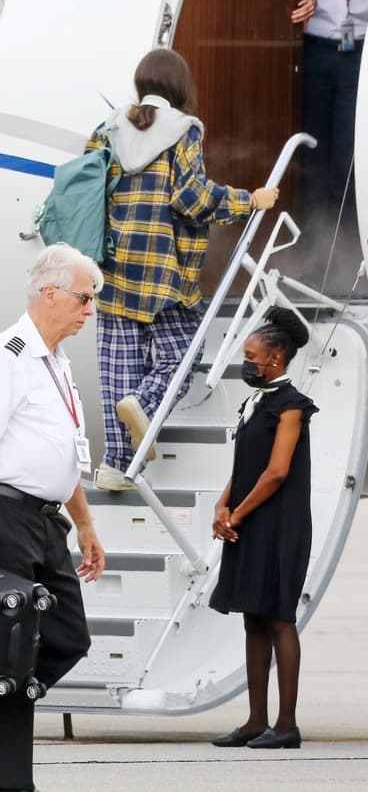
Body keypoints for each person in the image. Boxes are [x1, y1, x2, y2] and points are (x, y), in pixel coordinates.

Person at [0, 243, 106, 792]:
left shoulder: (57, 363)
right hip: (7, 514)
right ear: (51, 293)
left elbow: (65, 451)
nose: (91, 310)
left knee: (69, 638)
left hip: (47, 520)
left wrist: (83, 524)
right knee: (12, 652)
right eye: (85, 299)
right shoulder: (6, 355)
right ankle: (9, 778)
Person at [87, 48, 279, 491]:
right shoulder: (183, 130)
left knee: (118, 366)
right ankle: (146, 403)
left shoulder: (107, 129)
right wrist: (248, 200)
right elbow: (190, 198)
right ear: (180, 89)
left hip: (112, 267)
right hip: (163, 270)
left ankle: (115, 467)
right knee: (183, 353)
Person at [208, 307, 316, 751]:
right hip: (251, 517)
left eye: (252, 356)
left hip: (279, 523)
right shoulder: (257, 402)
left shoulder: (291, 406)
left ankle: (286, 724)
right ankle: (256, 721)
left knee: (279, 619)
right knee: (254, 617)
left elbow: (275, 473)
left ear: (275, 360)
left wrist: (238, 514)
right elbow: (246, 465)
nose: (246, 362)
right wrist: (223, 503)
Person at [292, 0, 367, 239]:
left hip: (359, 57)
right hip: (316, 49)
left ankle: (347, 242)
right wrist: (301, 1)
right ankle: (311, 238)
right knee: (314, 146)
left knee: (350, 150)